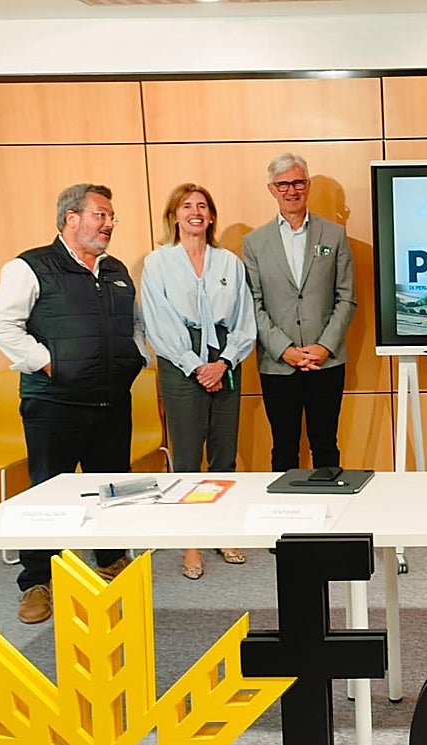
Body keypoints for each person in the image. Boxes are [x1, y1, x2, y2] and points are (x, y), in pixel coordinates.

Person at [0, 183, 148, 623]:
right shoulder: (30, 266)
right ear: (70, 218)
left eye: (112, 216)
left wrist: (135, 358)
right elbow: (2, 326)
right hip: (54, 403)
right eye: (101, 214)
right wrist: (50, 363)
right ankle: (39, 580)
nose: (109, 223)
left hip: (111, 401)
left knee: (112, 489)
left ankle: (112, 562)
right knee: (47, 493)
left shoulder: (115, 269)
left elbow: (130, 324)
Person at [140, 183, 256, 580]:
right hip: (180, 358)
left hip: (226, 357)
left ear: (211, 216)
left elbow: (244, 320)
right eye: (187, 206)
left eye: (202, 206)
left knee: (224, 452)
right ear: (174, 215)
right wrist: (195, 365)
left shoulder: (229, 263)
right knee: (188, 455)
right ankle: (190, 540)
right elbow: (158, 321)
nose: (195, 212)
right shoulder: (158, 263)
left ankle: (222, 529)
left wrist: (223, 361)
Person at [242, 153, 356, 472]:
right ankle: (285, 519)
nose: (291, 191)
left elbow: (346, 297)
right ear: (271, 189)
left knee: (326, 446)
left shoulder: (333, 235)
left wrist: (323, 347)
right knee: (283, 449)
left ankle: (332, 517)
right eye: (283, 185)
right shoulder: (254, 242)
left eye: (297, 182)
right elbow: (253, 304)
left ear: (307, 185)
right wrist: (285, 350)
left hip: (326, 361)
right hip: (277, 365)